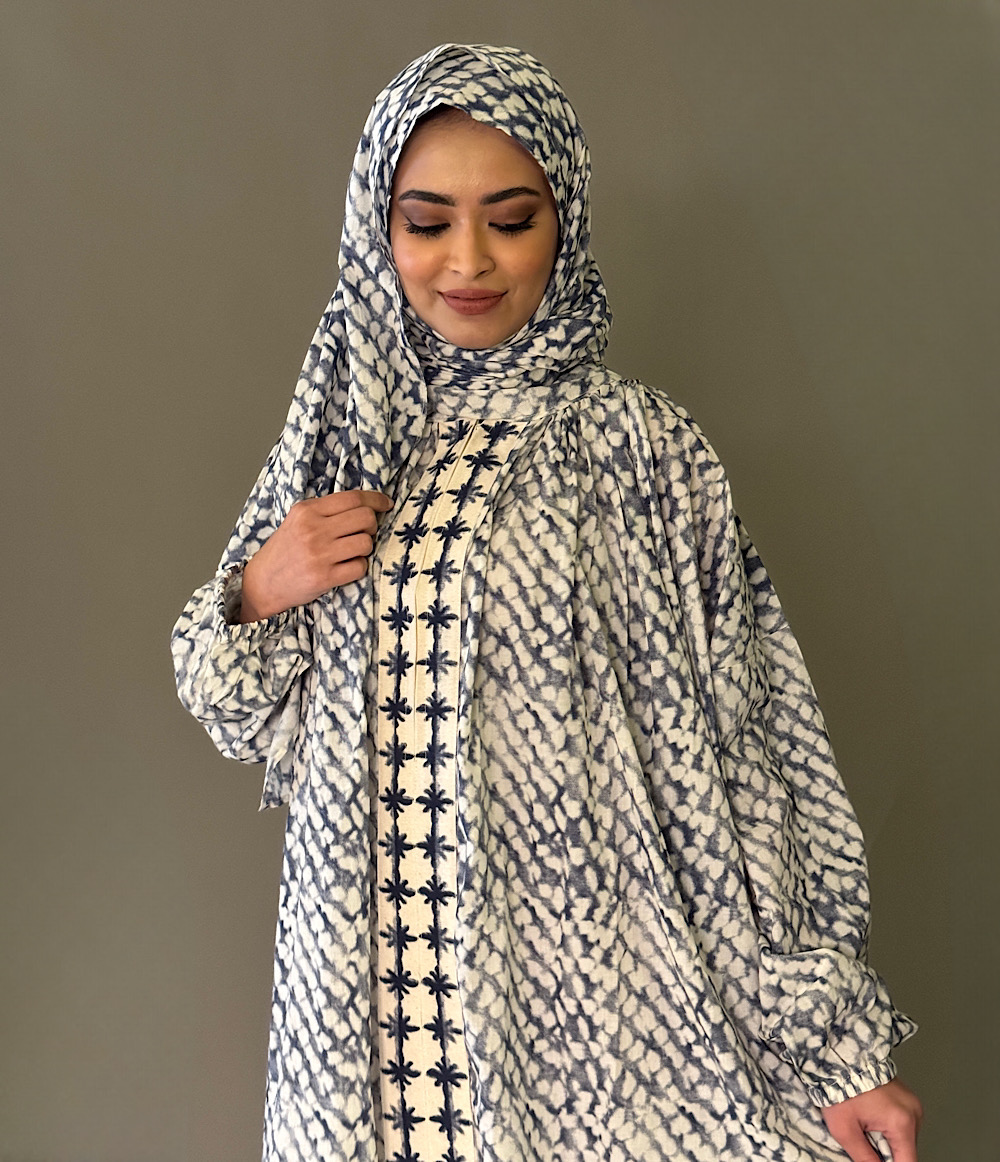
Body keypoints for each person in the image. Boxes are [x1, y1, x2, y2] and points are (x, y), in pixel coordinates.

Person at [172, 43, 922, 1162]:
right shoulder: (336, 442)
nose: (468, 260)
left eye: (511, 220)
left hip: (595, 1010)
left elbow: (746, 754)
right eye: (427, 222)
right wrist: (255, 589)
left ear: (562, 223)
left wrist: (836, 1047)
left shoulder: (644, 451)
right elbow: (232, 708)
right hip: (372, 1013)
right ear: (379, 232)